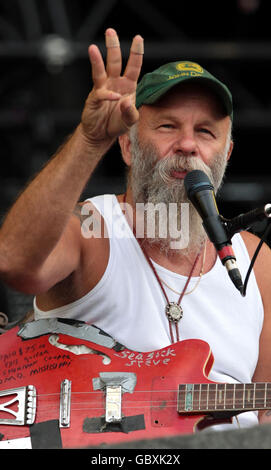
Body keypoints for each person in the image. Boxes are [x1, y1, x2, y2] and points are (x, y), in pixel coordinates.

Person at [0, 28, 271, 433]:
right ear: (128, 147)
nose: (187, 144)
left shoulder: (256, 260)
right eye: (166, 127)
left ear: (225, 154)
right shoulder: (95, 228)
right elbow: (14, 262)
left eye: (205, 132)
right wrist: (91, 140)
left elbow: (265, 414)